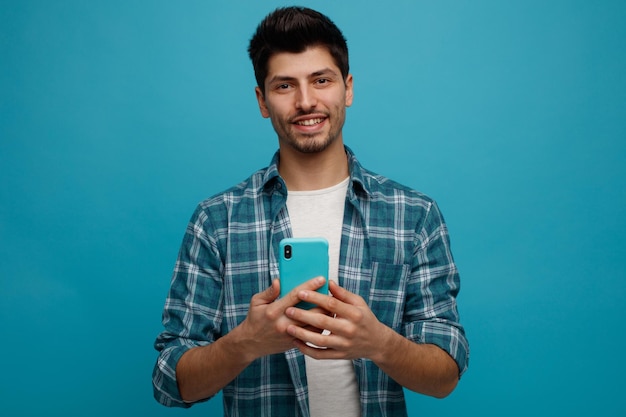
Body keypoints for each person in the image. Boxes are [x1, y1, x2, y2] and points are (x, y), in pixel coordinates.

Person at [153, 6, 469, 417]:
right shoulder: (217, 221)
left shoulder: (414, 215)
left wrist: (379, 342)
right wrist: (245, 341)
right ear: (262, 101)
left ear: (348, 88)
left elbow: (446, 373)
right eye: (284, 86)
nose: (306, 101)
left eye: (321, 80)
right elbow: (169, 382)